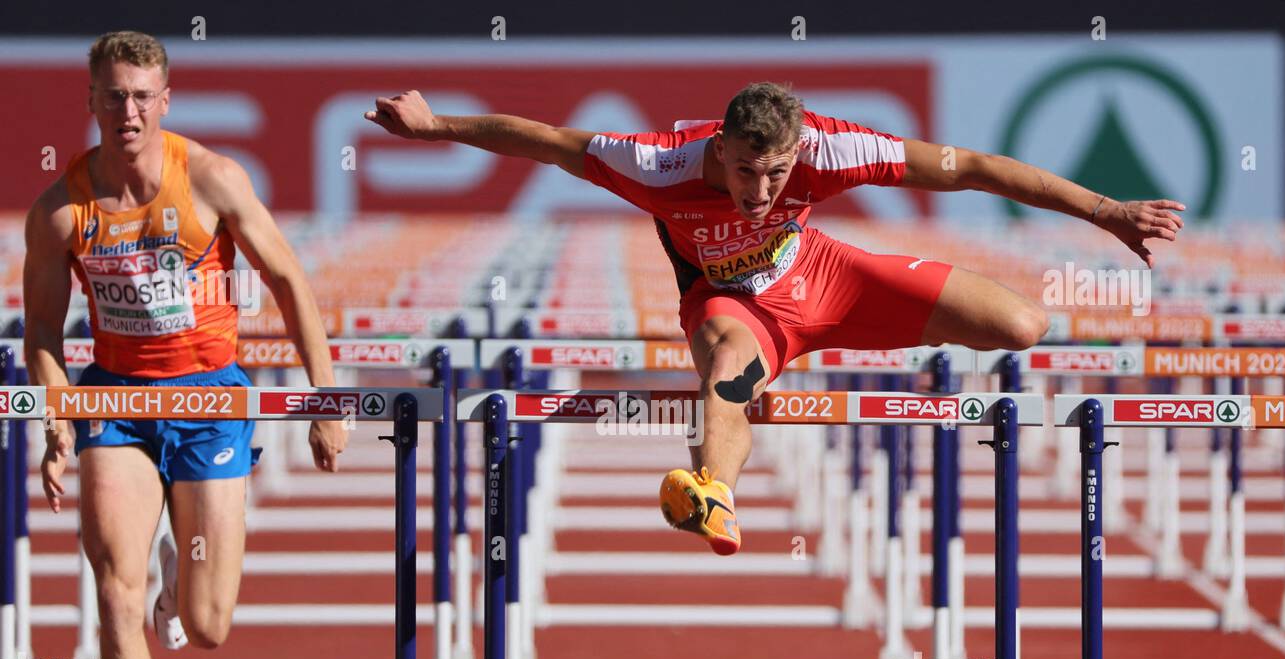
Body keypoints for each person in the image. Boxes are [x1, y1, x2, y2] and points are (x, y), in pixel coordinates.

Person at [365, 81, 1183, 555]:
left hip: (823, 274)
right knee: (724, 360)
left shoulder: (832, 149)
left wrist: (1105, 209)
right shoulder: (657, 163)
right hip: (735, 306)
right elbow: (543, 140)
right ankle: (712, 492)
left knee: (1021, 326)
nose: (760, 191)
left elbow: (970, 168)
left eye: (777, 173)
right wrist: (435, 126)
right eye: (749, 171)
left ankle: (875, 343)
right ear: (719, 147)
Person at [23, 31, 347, 659]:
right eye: (112, 95)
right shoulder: (61, 208)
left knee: (206, 626)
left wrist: (325, 396)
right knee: (113, 589)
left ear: (165, 101)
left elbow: (289, 279)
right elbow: (42, 338)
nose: (127, 110)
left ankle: (180, 569)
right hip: (117, 405)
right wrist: (56, 427)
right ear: (91, 101)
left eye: (142, 96)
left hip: (208, 401)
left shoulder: (210, 178)